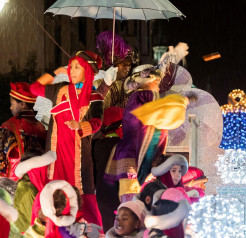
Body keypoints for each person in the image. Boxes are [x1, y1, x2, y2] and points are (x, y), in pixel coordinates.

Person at [30, 51, 105, 228]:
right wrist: (56, 72)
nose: (71, 70)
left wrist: (80, 126)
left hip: (79, 159)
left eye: (77, 67)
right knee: (52, 202)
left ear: (88, 70)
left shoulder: (95, 97)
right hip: (56, 156)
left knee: (84, 204)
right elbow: (34, 88)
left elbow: (97, 122)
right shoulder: (59, 89)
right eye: (71, 66)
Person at [104, 65, 190, 202]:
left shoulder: (135, 97)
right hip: (137, 155)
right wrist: (181, 102)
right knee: (136, 200)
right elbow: (168, 116)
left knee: (129, 198)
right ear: (148, 81)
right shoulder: (146, 96)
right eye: (156, 82)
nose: (158, 86)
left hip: (129, 153)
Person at [0, 82, 46, 181]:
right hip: (38, 181)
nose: (10, 107)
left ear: (22, 104)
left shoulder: (9, 126)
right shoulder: (41, 127)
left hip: (14, 184)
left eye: (12, 103)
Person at [94, 31, 136, 109]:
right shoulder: (98, 81)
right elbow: (93, 106)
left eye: (129, 63)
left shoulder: (130, 84)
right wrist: (105, 85)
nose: (127, 66)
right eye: (123, 63)